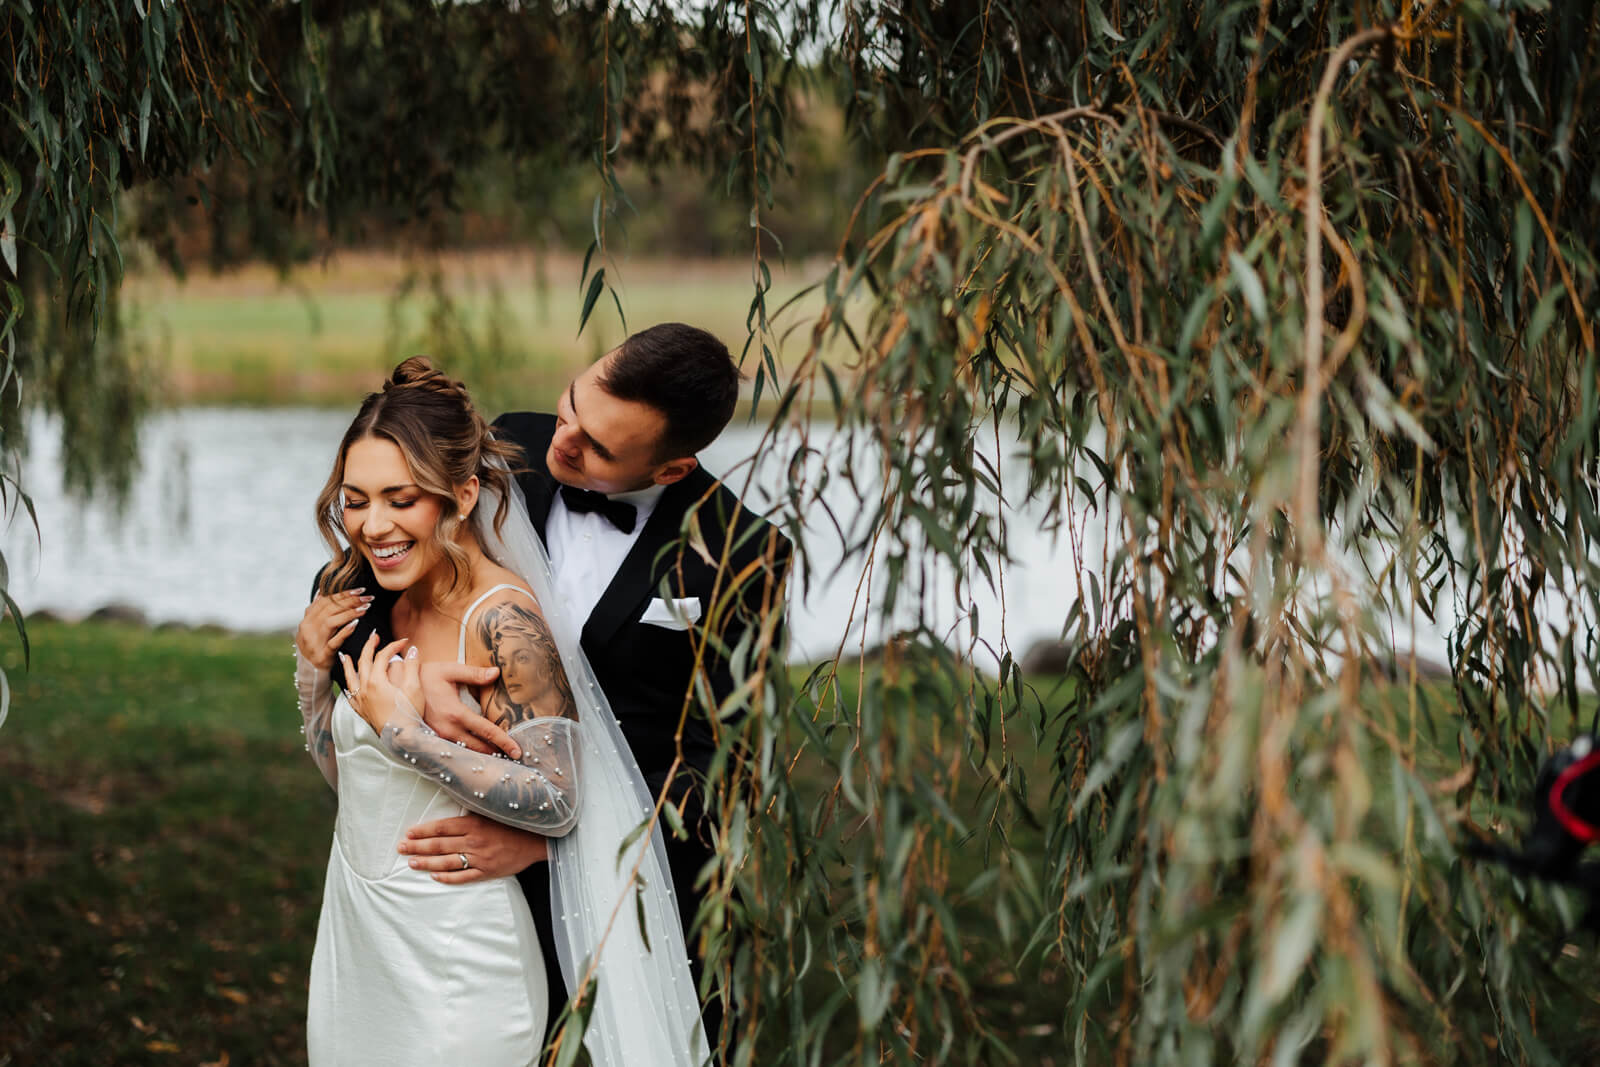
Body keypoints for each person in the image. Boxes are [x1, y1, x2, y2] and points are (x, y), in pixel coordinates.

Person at [334, 324, 792, 1051]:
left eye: (600, 448)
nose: (565, 442)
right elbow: (367, 581)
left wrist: (557, 846)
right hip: (457, 892)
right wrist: (411, 677)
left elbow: (723, 767)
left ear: (671, 468)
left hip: (624, 901)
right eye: (573, 404)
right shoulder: (508, 448)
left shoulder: (742, 553)